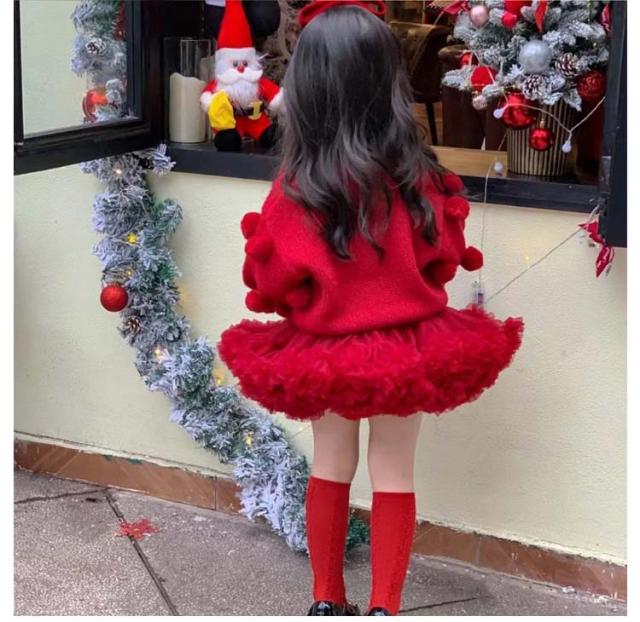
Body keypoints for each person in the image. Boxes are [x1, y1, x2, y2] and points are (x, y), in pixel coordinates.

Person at [218, 0, 524, 615]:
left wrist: (317, 295)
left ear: (309, 89)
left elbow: (269, 278)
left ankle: (326, 601)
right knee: (394, 470)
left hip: (327, 351)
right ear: (388, 83)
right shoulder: (421, 178)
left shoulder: (298, 187)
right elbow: (445, 258)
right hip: (408, 347)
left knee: (331, 464)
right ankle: (385, 605)